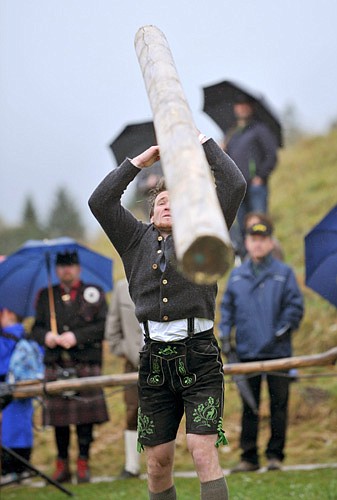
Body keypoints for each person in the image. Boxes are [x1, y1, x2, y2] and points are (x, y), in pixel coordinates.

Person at [89, 131, 246, 500]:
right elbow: (100, 202)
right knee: (158, 462)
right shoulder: (133, 239)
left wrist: (202, 144)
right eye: (161, 200)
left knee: (201, 448)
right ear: (151, 210)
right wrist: (136, 164)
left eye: (176, 200)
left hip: (200, 355)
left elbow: (235, 185)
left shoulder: (204, 233)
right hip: (153, 360)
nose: (168, 205)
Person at [219, 221, 304, 472]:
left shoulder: (284, 273)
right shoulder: (237, 276)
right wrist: (225, 337)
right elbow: (227, 310)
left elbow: (295, 306)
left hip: (279, 353)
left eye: (262, 239)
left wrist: (283, 329)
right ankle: (249, 457)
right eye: (253, 239)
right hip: (246, 353)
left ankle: (275, 456)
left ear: (270, 242)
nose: (257, 243)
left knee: (279, 406)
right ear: (246, 243)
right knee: (249, 406)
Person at [31, 251, 109, 484]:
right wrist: (46, 336)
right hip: (56, 362)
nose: (67, 270)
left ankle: (83, 462)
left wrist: (76, 336)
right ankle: (62, 463)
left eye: (71, 266)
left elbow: (103, 326)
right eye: (62, 266)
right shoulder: (46, 295)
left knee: (85, 420)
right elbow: (35, 328)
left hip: (85, 361)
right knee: (60, 421)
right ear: (56, 270)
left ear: (78, 268)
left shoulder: (93, 293)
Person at [224, 93, 278, 255]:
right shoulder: (232, 133)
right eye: (239, 105)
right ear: (235, 108)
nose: (242, 108)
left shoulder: (259, 129)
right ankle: (246, 259)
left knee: (259, 223)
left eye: (245, 104)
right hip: (238, 188)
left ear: (251, 108)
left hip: (255, 187)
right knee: (240, 225)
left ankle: (267, 256)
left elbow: (271, 155)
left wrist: (260, 176)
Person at [104, 278, 143, 479]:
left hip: (163, 357)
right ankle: (131, 465)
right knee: (132, 410)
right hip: (132, 362)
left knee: (166, 411)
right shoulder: (121, 288)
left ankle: (163, 461)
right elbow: (113, 327)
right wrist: (125, 350)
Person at [0, 307, 34, 481]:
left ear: (7, 313)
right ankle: (24, 468)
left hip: (6, 390)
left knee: (7, 431)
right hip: (25, 387)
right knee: (24, 429)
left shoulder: (5, 337)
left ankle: (8, 470)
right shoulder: (26, 334)